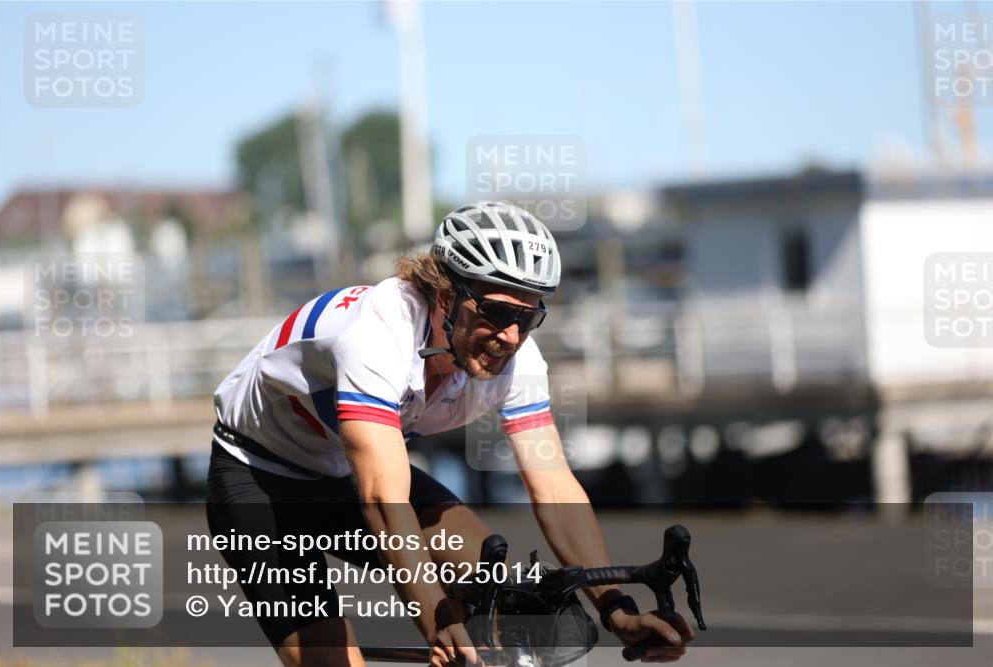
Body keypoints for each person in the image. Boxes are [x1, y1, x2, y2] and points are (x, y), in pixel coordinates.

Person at [206, 201, 695, 667]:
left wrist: (617, 610)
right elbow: (381, 499)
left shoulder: (518, 361)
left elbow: (553, 485)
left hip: (342, 469)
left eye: (528, 319)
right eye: (498, 312)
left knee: (497, 588)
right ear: (446, 297)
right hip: (259, 478)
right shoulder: (377, 333)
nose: (510, 336)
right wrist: (435, 620)